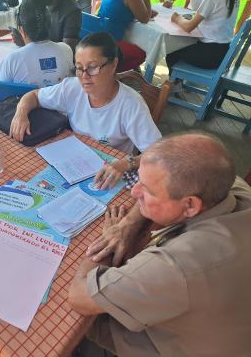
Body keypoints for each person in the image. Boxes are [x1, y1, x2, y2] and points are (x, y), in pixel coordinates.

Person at [68, 132, 251, 356]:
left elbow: (78, 296)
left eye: (147, 189)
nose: (135, 193)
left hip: (178, 347)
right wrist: (126, 225)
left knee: (79, 327)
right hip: (229, 324)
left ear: (190, 205)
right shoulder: (229, 187)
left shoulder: (177, 266)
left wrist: (106, 239)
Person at [10, 32, 162, 190]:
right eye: (79, 68)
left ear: (113, 65)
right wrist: (21, 114)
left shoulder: (131, 105)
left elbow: (160, 153)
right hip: (74, 165)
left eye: (93, 67)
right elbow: (33, 96)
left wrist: (127, 163)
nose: (84, 76)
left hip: (109, 175)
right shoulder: (72, 88)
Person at [0, 0, 74, 88]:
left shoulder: (13, 59)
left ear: (21, 31)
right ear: (49, 24)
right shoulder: (66, 49)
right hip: (63, 102)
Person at [165, 0, 239, 74]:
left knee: (171, 49)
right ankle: (177, 81)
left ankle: (174, 82)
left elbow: (188, 27)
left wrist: (177, 18)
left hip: (209, 56)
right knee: (184, 44)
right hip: (224, 55)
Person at [97, 0, 153, 72]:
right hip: (108, 43)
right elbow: (145, 19)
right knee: (142, 54)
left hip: (96, 33)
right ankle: (110, 72)